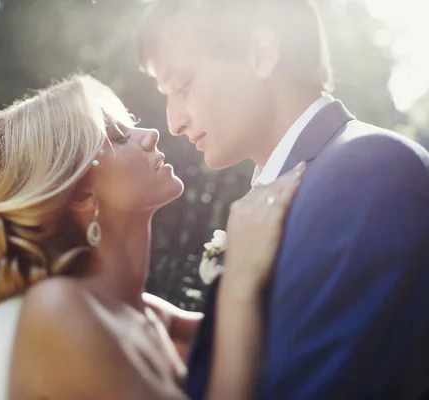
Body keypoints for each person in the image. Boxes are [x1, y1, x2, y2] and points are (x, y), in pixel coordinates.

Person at [0, 75, 304, 400]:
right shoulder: (56, 311)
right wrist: (239, 281)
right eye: (118, 137)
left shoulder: (149, 316)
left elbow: (279, 332)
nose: (150, 134)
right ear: (81, 194)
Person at [136, 0, 429, 399]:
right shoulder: (301, 188)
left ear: (261, 54)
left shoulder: (367, 172)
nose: (173, 122)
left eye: (183, 85)